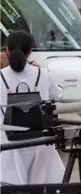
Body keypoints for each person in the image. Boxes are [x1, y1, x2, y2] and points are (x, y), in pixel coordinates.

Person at [0, 30, 65, 184]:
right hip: (40, 141)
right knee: (44, 190)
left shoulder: (1, 76)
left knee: (11, 192)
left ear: (6, 51)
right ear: (30, 51)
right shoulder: (42, 74)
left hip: (8, 144)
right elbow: (59, 95)